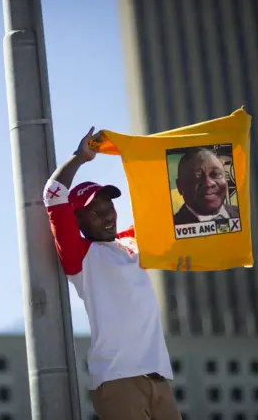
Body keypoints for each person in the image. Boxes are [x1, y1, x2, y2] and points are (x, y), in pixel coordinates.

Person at [43, 127, 181, 420]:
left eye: (109, 207)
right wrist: (80, 158)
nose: (107, 215)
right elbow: (53, 194)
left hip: (159, 380)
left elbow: (170, 210)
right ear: (77, 219)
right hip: (119, 383)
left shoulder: (130, 241)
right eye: (95, 211)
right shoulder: (80, 256)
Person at [173, 147, 239, 225]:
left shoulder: (240, 213)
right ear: (180, 186)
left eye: (215, 174)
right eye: (197, 176)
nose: (209, 183)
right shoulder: (173, 225)